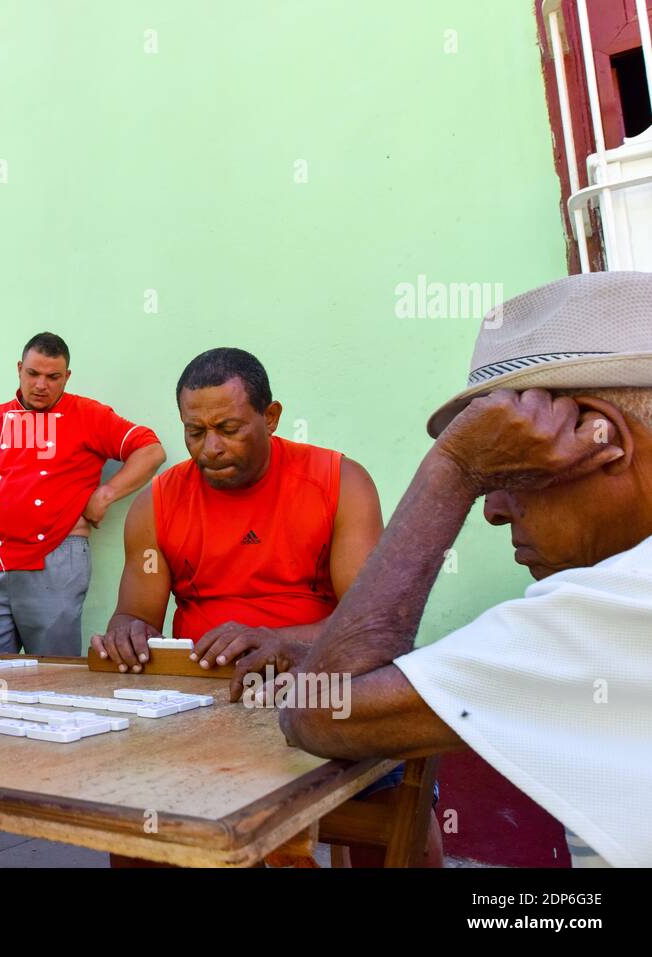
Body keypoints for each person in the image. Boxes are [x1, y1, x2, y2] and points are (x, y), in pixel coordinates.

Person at [279, 271, 652, 868]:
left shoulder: (624, 600)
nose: (495, 510)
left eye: (506, 470)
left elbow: (323, 713)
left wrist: (452, 468)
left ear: (601, 435)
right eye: (486, 472)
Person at [93, 348, 384, 682]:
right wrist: (128, 635)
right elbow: (133, 615)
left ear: (271, 417)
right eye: (196, 432)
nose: (211, 448)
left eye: (229, 428)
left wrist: (280, 641)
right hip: (198, 685)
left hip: (313, 678)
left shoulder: (341, 483)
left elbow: (368, 620)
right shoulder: (155, 504)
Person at [0, 332, 165, 656]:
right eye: (33, 374)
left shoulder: (87, 414)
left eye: (53, 377)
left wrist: (104, 495)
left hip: (57, 559)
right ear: (19, 369)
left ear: (67, 377)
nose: (41, 385)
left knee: (53, 675)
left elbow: (151, 450)